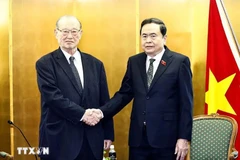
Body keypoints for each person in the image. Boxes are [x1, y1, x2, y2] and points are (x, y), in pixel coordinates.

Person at [91, 18, 193, 160]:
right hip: (138, 139)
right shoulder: (135, 61)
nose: (148, 40)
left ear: (164, 38)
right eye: (144, 36)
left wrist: (183, 137)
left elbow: (186, 103)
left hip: (167, 138)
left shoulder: (179, 62)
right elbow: (124, 94)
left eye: (153, 36)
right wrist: (102, 112)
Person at [35, 15, 114, 160]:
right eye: (64, 31)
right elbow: (53, 98)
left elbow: (104, 100)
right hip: (59, 139)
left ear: (81, 33)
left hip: (92, 139)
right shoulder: (45, 64)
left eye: (74, 31)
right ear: (56, 33)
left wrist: (108, 133)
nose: (69, 36)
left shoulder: (96, 64)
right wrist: (83, 115)